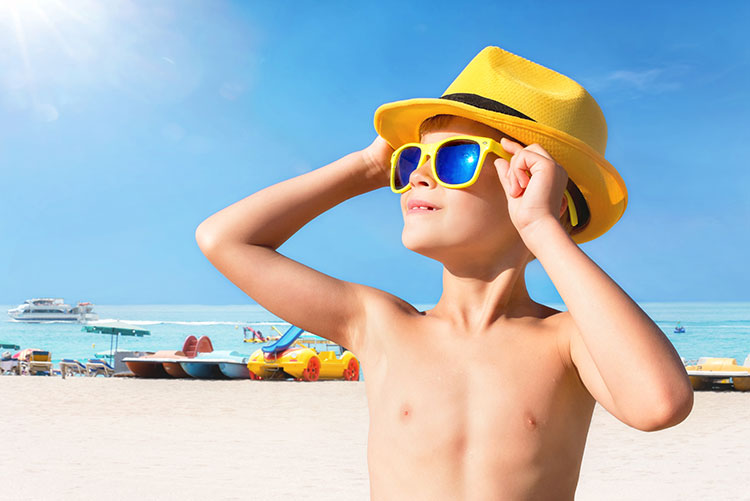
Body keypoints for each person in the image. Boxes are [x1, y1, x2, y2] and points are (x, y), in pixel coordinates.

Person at [196, 46, 693, 500]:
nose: (417, 174)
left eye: (454, 157)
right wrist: (367, 165)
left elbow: (659, 404)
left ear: (542, 192)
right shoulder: (381, 324)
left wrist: (542, 227)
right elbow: (224, 240)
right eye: (412, 157)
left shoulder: (564, 340)